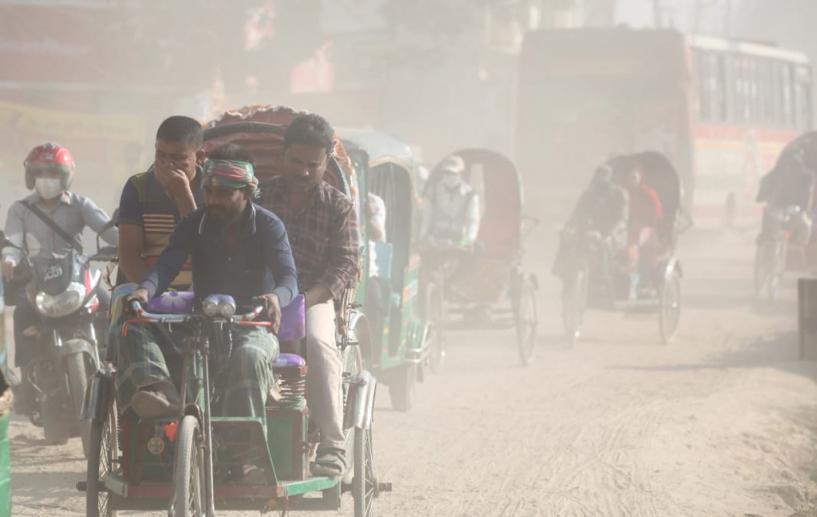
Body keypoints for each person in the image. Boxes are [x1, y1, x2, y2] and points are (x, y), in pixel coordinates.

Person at [120, 145, 297, 429]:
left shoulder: (269, 226)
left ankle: (246, 452)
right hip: (200, 323)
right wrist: (145, 290)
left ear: (247, 192)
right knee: (132, 325)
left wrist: (276, 297)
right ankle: (163, 391)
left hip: (252, 326)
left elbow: (289, 278)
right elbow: (166, 266)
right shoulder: (194, 222)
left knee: (249, 357)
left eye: (225, 193)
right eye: (210, 191)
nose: (214, 200)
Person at [259, 113, 360, 477]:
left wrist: (307, 298)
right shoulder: (261, 197)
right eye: (296, 162)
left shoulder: (338, 206)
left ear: (325, 162)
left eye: (312, 165)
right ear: (283, 157)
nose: (303, 171)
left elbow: (346, 264)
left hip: (315, 296)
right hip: (262, 294)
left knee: (318, 342)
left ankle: (332, 443)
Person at [1, 143, 118, 413]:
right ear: (30, 175)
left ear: (65, 175)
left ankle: (122, 368)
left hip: (77, 273)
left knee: (114, 306)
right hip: (38, 279)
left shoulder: (80, 204)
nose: (46, 179)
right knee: (21, 316)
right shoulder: (20, 210)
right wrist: (9, 257)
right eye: (40, 172)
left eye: (53, 172)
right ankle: (27, 390)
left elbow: (111, 233)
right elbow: (13, 241)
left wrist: (127, 245)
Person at [117, 116, 207, 288]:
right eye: (161, 155)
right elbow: (129, 257)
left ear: (200, 156)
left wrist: (184, 196)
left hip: (202, 290)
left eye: (178, 158)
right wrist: (154, 291)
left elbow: (206, 251)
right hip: (145, 287)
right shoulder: (138, 187)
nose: (167, 164)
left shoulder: (213, 189)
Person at [617, 163, 664, 300]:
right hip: (626, 228)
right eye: (629, 177)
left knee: (634, 248)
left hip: (646, 228)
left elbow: (657, 214)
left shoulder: (649, 193)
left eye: (634, 177)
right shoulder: (621, 193)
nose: (631, 180)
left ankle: (637, 285)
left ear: (640, 178)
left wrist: (643, 224)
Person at [756, 147, 814, 246]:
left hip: (777, 209)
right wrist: (805, 209)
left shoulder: (775, 172)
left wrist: (761, 198)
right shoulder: (806, 175)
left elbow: (764, 185)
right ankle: (799, 248)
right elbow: (808, 196)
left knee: (767, 233)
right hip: (793, 210)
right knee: (806, 228)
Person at [420, 155, 481, 249]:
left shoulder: (470, 194)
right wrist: (423, 238)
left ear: (461, 174)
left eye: (454, 173)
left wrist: (467, 241)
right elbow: (426, 218)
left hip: (460, 240)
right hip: (436, 240)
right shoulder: (432, 192)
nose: (450, 176)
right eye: (447, 172)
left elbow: (472, 220)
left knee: (478, 250)